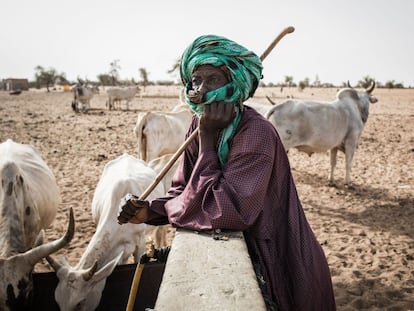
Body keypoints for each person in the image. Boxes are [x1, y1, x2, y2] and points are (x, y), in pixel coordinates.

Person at [117, 34, 336, 310]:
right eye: (195, 80)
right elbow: (185, 189)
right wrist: (151, 211)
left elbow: (227, 211)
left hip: (278, 257)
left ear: (235, 84)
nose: (200, 90)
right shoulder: (199, 124)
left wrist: (207, 141)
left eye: (213, 80)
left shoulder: (255, 132)